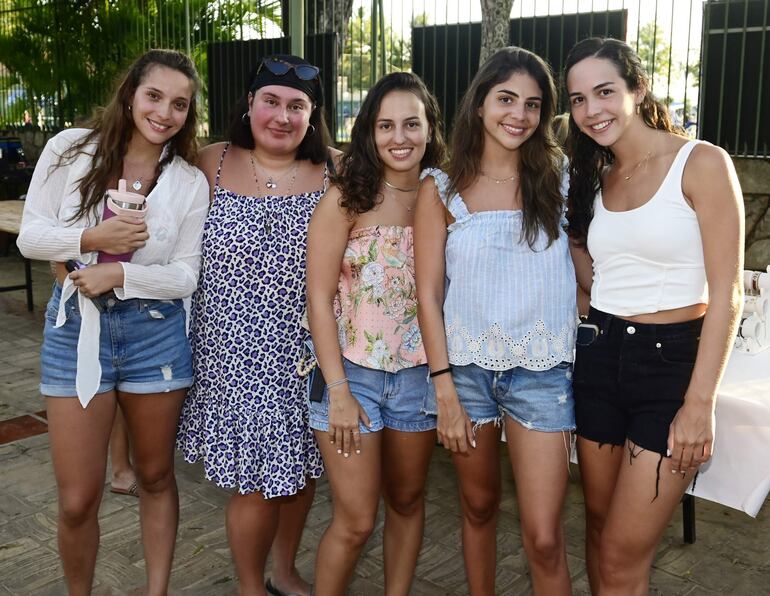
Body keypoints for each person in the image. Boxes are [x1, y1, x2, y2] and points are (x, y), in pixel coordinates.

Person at [17, 49, 208, 596]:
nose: (164, 112)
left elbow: (185, 275)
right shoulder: (68, 150)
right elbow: (32, 237)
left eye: (179, 104)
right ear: (130, 93)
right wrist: (91, 241)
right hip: (76, 329)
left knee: (154, 476)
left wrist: (119, 275)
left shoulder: (188, 182)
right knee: (78, 498)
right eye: (154, 96)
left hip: (156, 335)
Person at [563, 37, 744, 594]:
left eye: (604, 92)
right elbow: (595, 273)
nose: (591, 110)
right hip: (599, 357)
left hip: (670, 370)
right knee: (597, 529)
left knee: (620, 555)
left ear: (637, 89)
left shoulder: (701, 162)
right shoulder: (595, 175)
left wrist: (699, 404)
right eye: (577, 100)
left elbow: (728, 292)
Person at [414, 47, 577, 596]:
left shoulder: (561, 179)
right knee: (479, 507)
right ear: (480, 103)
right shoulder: (439, 187)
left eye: (534, 104)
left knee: (545, 537)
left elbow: (590, 264)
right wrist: (445, 392)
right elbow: (429, 292)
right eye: (506, 98)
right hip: (465, 375)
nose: (520, 114)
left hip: (543, 373)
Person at [176, 55, 334, 596]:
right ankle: (249, 587)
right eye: (270, 101)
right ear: (248, 104)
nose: (282, 116)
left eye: (297, 106)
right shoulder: (207, 163)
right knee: (255, 484)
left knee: (300, 469)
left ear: (313, 116)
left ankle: (284, 570)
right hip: (230, 357)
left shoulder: (337, 170)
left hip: (307, 354)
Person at [306, 72, 447, 595]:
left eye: (412, 123)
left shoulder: (447, 196)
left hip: (420, 381)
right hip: (352, 381)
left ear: (431, 128)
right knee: (357, 519)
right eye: (386, 125)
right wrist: (338, 391)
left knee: (408, 503)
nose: (400, 137)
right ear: (369, 131)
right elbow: (317, 300)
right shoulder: (347, 197)